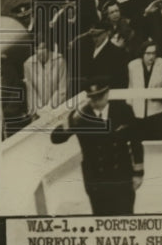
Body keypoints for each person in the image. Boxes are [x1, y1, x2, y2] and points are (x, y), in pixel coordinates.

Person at [50, 79, 144, 215]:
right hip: (96, 179)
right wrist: (72, 118)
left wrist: (138, 173)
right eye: (93, 98)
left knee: (125, 219)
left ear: (107, 94)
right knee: (100, 220)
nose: (96, 102)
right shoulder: (81, 116)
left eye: (99, 97)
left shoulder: (123, 110)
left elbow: (136, 142)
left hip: (121, 177)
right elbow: (56, 138)